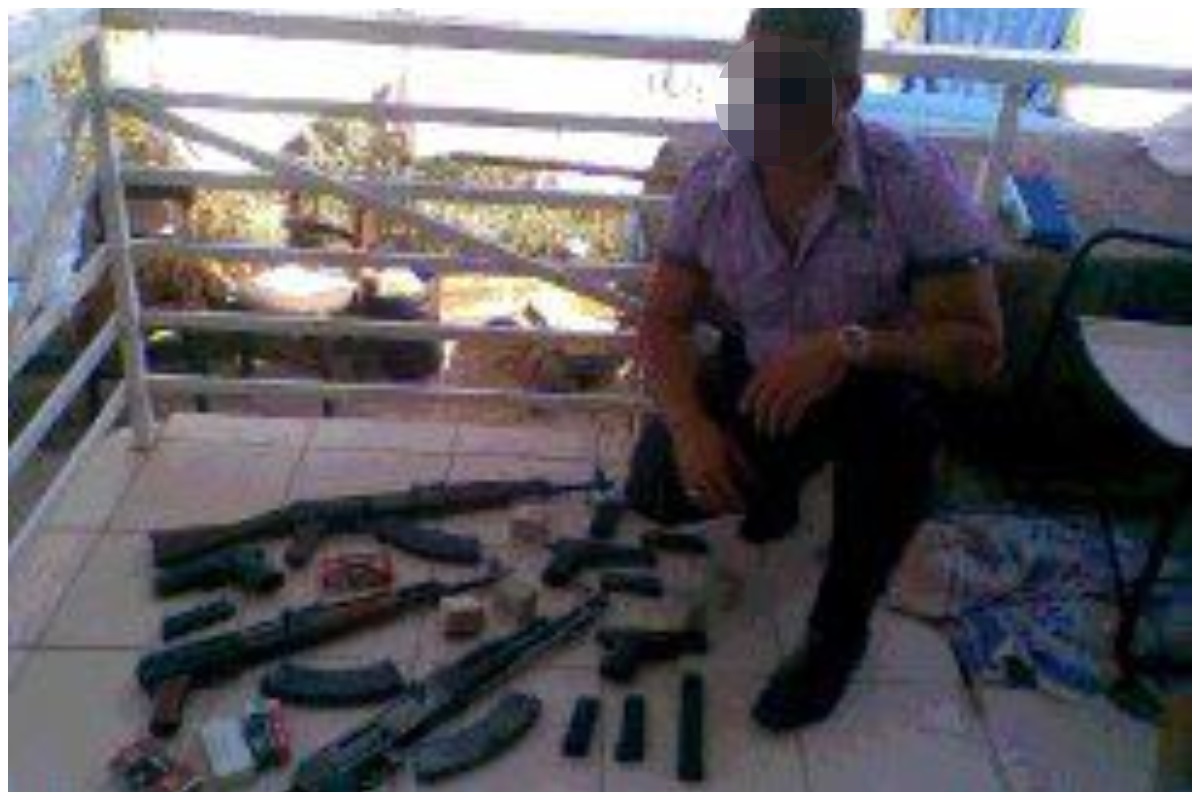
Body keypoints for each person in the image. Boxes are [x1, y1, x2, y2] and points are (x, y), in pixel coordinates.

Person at [626, 8, 1004, 730]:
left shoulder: (911, 178)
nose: (759, 107)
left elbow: (981, 348)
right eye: (749, 81)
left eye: (787, 89)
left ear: (847, 92)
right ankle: (778, 486)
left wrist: (846, 345)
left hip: (871, 380)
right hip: (760, 367)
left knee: (898, 447)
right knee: (659, 484)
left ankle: (837, 633)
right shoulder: (711, 181)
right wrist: (690, 426)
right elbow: (663, 320)